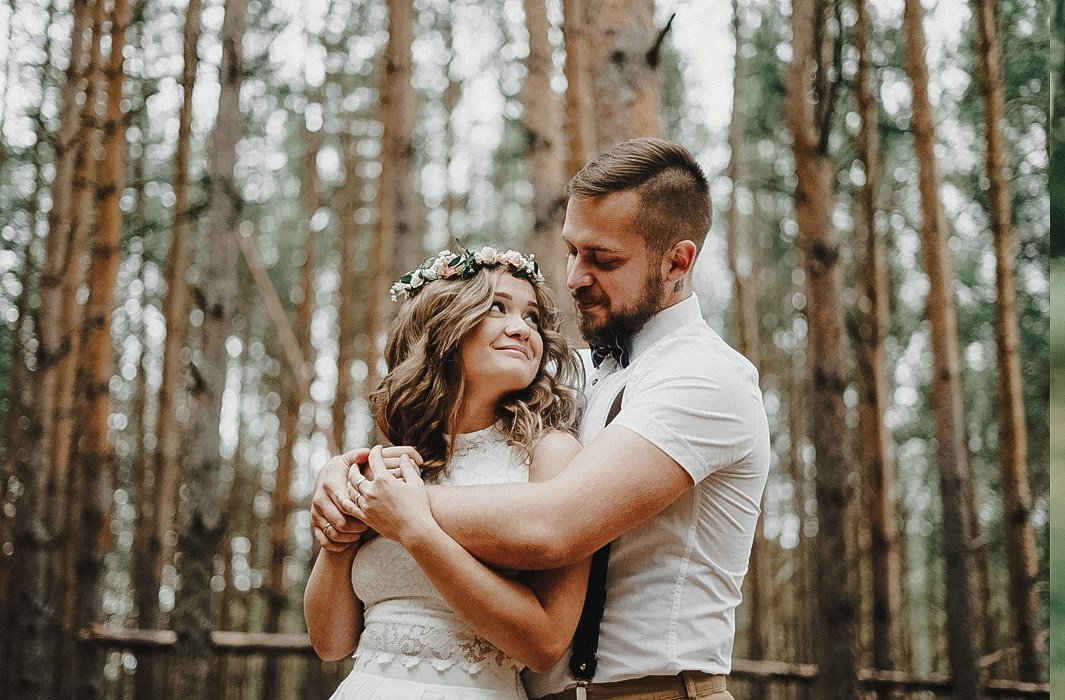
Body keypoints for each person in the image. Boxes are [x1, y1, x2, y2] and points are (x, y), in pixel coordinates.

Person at [313, 138, 771, 700]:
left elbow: (554, 525)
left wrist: (380, 501)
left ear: (678, 260)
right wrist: (344, 473)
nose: (576, 278)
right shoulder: (565, 375)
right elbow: (469, 404)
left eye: (603, 259)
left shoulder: (706, 378)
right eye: (573, 252)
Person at [304, 247, 590, 699]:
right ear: (443, 324)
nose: (522, 328)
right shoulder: (393, 462)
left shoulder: (549, 454)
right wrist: (340, 538)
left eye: (533, 317)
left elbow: (546, 642)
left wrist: (415, 529)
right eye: (497, 307)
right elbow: (330, 643)